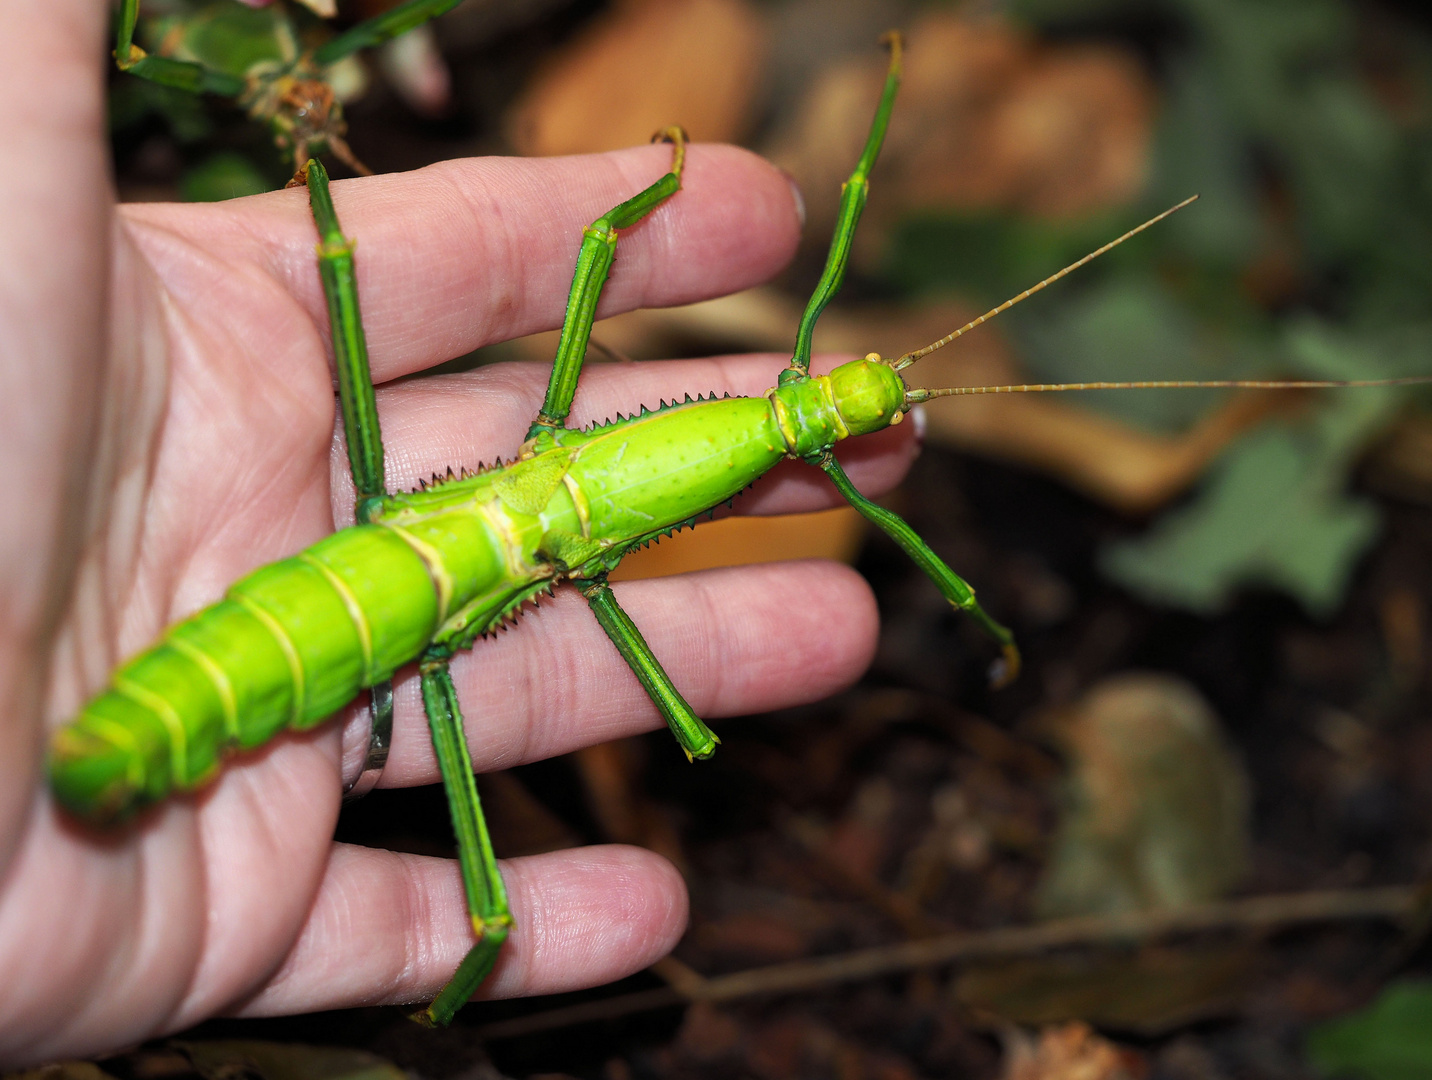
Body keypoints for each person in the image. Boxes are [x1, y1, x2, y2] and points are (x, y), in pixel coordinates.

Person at [0, 1, 919, 1066]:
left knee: (346, 254)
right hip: (281, 659)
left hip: (299, 625)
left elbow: (598, 241)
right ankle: (437, 1019)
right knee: (508, 904)